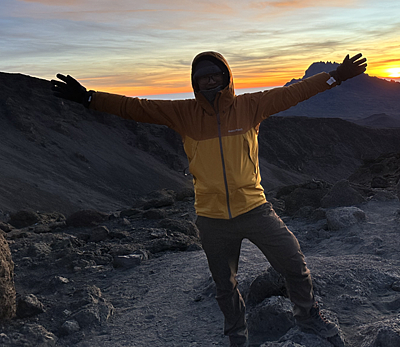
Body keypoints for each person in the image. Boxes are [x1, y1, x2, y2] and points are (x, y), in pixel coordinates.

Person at [51, 51, 366, 347]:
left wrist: (335, 76)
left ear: (227, 76)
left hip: (255, 209)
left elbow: (294, 92)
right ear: (195, 83)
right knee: (225, 285)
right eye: (203, 79)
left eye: (215, 76)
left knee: (294, 263)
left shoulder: (250, 106)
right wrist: (89, 98)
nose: (210, 82)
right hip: (212, 218)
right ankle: (236, 335)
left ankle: (308, 318)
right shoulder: (183, 114)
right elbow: (136, 107)